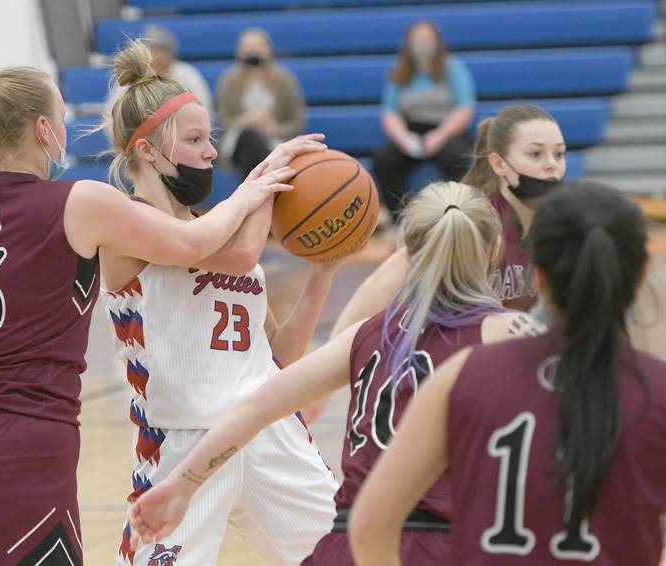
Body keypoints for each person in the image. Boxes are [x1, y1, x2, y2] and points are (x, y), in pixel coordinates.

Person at [0, 64, 290, 565]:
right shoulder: (78, 201)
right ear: (43, 129)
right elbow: (195, 241)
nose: (64, 128)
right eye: (61, 116)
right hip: (10, 452)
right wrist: (254, 192)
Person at [125, 181, 546, 565]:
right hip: (447, 544)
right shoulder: (516, 335)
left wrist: (183, 484)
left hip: (350, 547)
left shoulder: (366, 334)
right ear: (495, 250)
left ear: (408, 253)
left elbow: (255, 406)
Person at [101, 40, 340, 566]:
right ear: (147, 150)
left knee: (346, 554)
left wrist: (322, 273)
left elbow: (276, 354)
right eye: (195, 139)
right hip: (180, 437)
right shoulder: (126, 225)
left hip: (267, 427)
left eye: (210, 138)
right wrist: (260, 176)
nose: (211, 151)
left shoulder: (219, 228)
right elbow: (232, 253)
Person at [350, 182, 666, 565]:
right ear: (641, 274)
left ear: (538, 276)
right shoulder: (656, 391)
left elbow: (369, 527)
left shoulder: (463, 374)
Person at [332, 104, 567, 337]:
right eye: (535, 154)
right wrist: (339, 349)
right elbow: (381, 284)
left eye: (559, 153)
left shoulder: (566, 222)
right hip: (464, 361)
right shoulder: (471, 218)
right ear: (499, 163)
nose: (552, 164)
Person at [372, 20, 476, 221]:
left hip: (446, 130)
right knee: (384, 160)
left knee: (456, 157)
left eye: (427, 39)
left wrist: (440, 135)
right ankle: (401, 219)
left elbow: (465, 108)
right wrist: (405, 139)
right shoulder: (399, 73)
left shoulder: (452, 67)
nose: (422, 44)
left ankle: (455, 215)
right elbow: (390, 113)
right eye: (417, 39)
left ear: (437, 42)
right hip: (411, 131)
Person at [216, 27, 306, 180]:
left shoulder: (284, 80)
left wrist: (275, 128)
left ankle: (248, 195)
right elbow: (224, 122)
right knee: (249, 136)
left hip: (275, 140)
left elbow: (297, 122)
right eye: (247, 46)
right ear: (239, 52)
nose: (252, 51)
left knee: (252, 150)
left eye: (258, 45)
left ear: (269, 49)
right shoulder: (229, 81)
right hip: (237, 140)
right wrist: (246, 119)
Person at [106, 25, 215, 124]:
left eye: (158, 51)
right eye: (150, 51)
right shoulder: (132, 75)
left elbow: (203, 110)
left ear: (170, 53)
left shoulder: (188, 75)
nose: (154, 56)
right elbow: (113, 114)